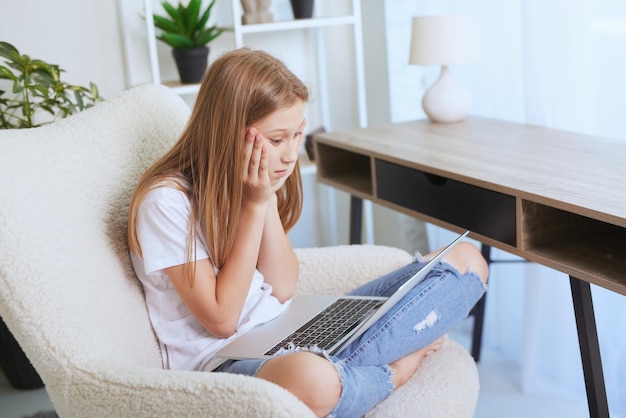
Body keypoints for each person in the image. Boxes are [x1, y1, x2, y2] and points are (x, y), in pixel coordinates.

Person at [127, 48, 488, 417]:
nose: (290, 155)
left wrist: (263, 198)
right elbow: (222, 321)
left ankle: (350, 374)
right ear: (225, 134)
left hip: (289, 328)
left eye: (296, 134)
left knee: (467, 262)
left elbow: (283, 288)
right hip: (225, 362)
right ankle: (394, 371)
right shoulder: (165, 203)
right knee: (312, 379)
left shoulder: (247, 181)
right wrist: (254, 205)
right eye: (277, 139)